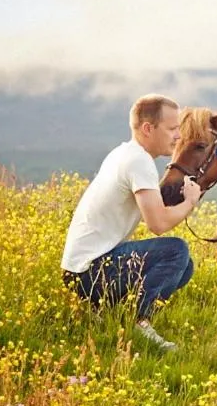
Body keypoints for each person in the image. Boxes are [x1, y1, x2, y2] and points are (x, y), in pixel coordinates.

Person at [61, 94, 202, 351]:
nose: (178, 136)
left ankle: (106, 312)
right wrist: (190, 202)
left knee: (185, 266)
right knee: (176, 251)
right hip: (89, 272)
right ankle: (140, 323)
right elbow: (157, 224)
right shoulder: (139, 161)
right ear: (148, 129)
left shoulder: (124, 153)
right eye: (172, 129)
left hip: (79, 270)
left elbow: (154, 207)